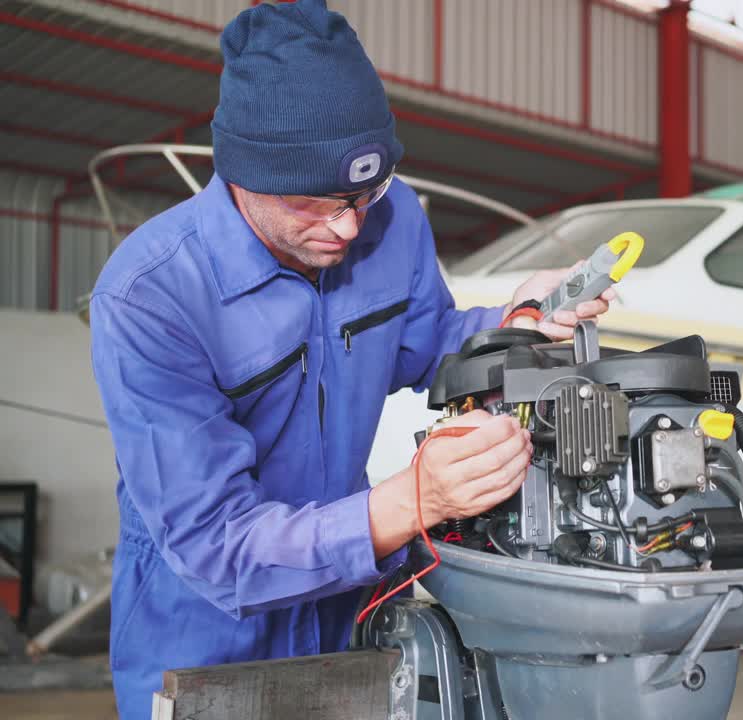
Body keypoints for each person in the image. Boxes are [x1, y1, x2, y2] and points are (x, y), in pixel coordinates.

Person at [88, 2, 610, 716]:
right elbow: (215, 546)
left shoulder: (394, 224)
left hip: (349, 615)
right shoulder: (151, 295)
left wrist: (514, 321)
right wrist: (412, 501)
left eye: (367, 193)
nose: (348, 225)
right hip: (206, 635)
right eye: (315, 202)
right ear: (242, 173)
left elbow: (426, 344)